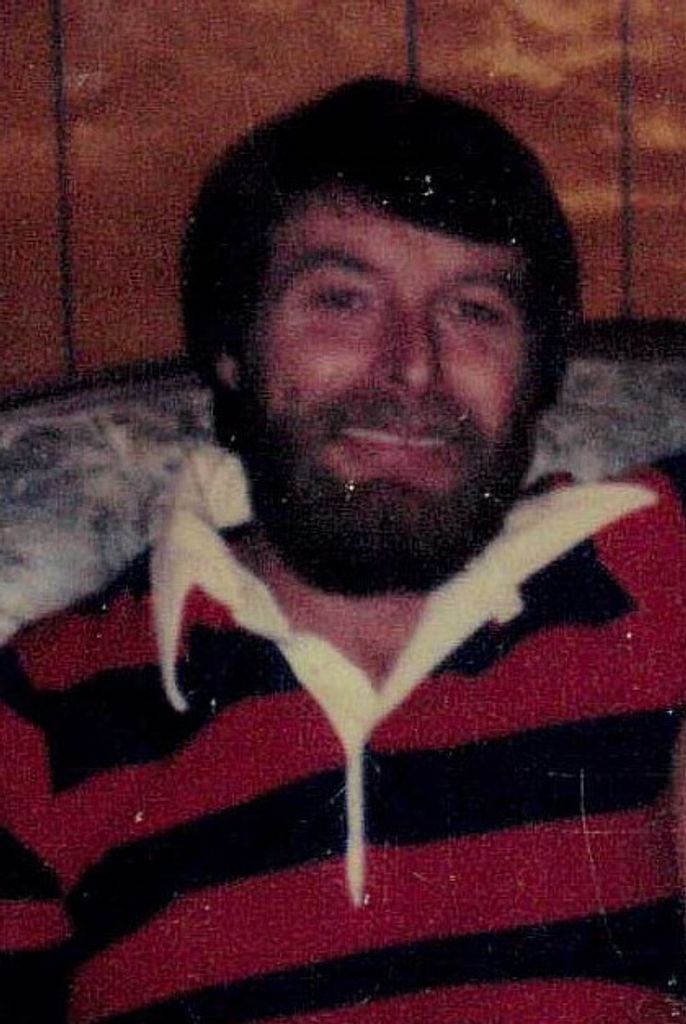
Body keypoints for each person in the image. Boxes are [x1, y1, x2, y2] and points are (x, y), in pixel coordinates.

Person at [1, 78, 685, 1024]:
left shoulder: (646, 565)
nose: (413, 366)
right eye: (342, 300)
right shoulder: (40, 715)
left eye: (475, 310)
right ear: (233, 346)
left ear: (538, 374)